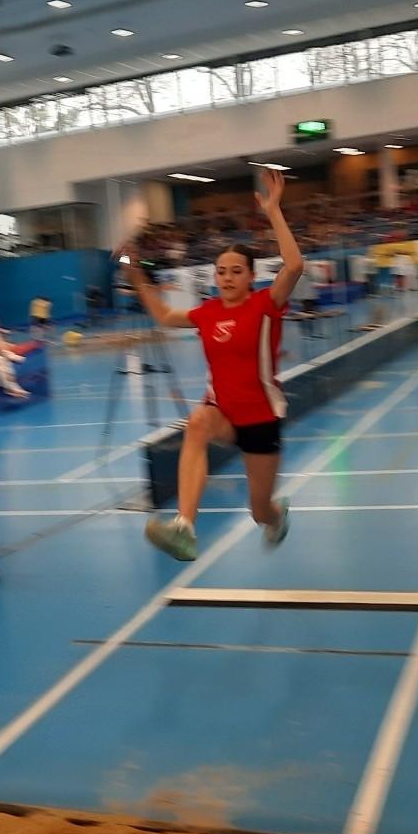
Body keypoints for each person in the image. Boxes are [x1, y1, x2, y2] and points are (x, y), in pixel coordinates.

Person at [119, 167, 303, 562]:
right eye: (221, 271)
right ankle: (184, 526)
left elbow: (294, 267)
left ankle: (276, 514)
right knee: (198, 422)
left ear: (251, 276)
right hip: (223, 412)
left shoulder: (265, 305)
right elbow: (165, 316)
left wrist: (273, 211)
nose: (227, 277)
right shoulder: (208, 312)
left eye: (236, 271)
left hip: (261, 419)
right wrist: (138, 280)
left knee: (259, 511)